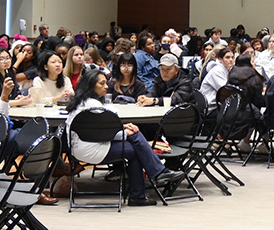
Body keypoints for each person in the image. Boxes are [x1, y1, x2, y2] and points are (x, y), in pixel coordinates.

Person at [64, 70, 184, 207]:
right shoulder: (94, 106)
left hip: (79, 148)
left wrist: (123, 129)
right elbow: (104, 134)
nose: (106, 86)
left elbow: (101, 130)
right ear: (91, 86)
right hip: (92, 148)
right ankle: (150, 181)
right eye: (102, 83)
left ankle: (150, 182)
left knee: (134, 145)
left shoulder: (82, 102)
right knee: (135, 139)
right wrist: (126, 131)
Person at [199, 47, 234, 113]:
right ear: (220, 59)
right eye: (227, 57)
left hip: (218, 105)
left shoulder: (227, 70)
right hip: (211, 108)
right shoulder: (217, 71)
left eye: (232, 57)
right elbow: (225, 91)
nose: (231, 60)